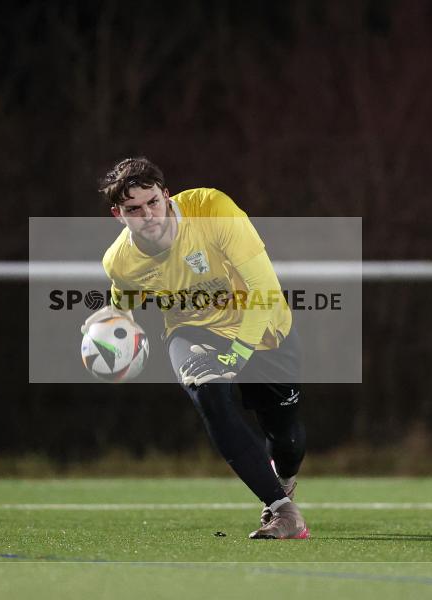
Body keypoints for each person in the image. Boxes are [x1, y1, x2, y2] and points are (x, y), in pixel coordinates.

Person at [81, 157, 309, 540]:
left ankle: (283, 479)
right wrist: (113, 318)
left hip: (264, 328)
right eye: (133, 209)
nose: (148, 215)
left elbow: (265, 292)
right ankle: (282, 511)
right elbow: (124, 293)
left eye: (153, 202)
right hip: (192, 331)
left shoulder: (212, 210)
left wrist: (237, 354)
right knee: (209, 394)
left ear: (167, 195)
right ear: (117, 215)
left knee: (287, 440)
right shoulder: (119, 260)